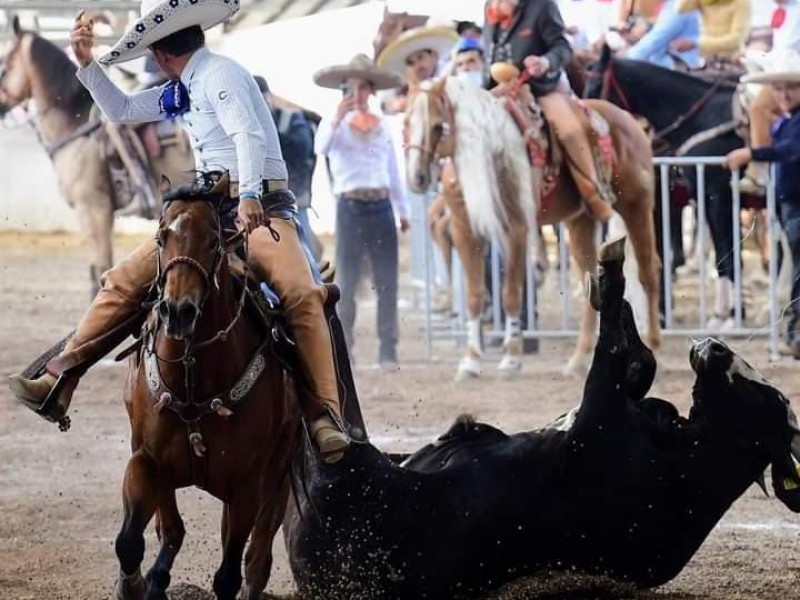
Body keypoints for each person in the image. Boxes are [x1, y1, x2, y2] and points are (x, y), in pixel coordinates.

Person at [8, 0, 350, 463]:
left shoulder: (219, 76)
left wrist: (248, 195)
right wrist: (86, 66)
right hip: (209, 215)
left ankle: (325, 416)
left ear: (159, 53)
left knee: (301, 294)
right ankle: (60, 377)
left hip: (260, 211)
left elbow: (247, 135)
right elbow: (124, 109)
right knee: (124, 280)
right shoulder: (187, 84)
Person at [313, 55, 410, 368]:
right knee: (348, 280)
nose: (358, 95)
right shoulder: (335, 126)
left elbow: (393, 170)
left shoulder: (381, 127)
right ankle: (346, 347)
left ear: (371, 91)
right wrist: (337, 118)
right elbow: (321, 148)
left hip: (380, 205)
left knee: (387, 281)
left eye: (364, 88)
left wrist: (402, 210)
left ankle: (388, 350)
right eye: (352, 89)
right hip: (350, 206)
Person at [483, 0, 614, 222]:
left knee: (570, 130)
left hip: (542, 89)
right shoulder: (490, 7)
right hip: (500, 89)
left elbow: (562, 47)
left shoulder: (543, 5)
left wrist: (545, 61)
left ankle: (593, 193)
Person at [724, 52, 800, 357]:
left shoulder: (794, 124)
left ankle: (796, 336)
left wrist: (752, 154)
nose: (782, 95)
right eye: (779, 89)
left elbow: (793, 151)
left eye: (790, 89)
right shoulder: (786, 122)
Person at [739, 0, 800, 195]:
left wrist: (746, 54)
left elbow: (784, 54)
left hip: (791, 72)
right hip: (784, 68)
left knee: (758, 107)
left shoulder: (796, 12)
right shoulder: (783, 11)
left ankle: (759, 171)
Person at [253, 75, 316, 238]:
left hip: (292, 205)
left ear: (269, 99)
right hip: (259, 208)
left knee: (305, 256)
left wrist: (268, 133)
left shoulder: (292, 119)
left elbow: (301, 149)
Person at [376, 22, 459, 114]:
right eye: (411, 62)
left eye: (420, 57)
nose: (417, 65)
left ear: (434, 56)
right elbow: (384, 104)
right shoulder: (405, 83)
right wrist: (395, 105)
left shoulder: (449, 74)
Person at [625, 0, 703, 69]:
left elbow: (656, 39)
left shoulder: (677, 5)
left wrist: (626, 56)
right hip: (684, 62)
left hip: (682, 67)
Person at [675, 0, 751, 62]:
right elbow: (680, 9)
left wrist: (695, 44)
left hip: (730, 60)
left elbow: (736, 40)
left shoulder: (741, 2)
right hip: (707, 59)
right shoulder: (705, 2)